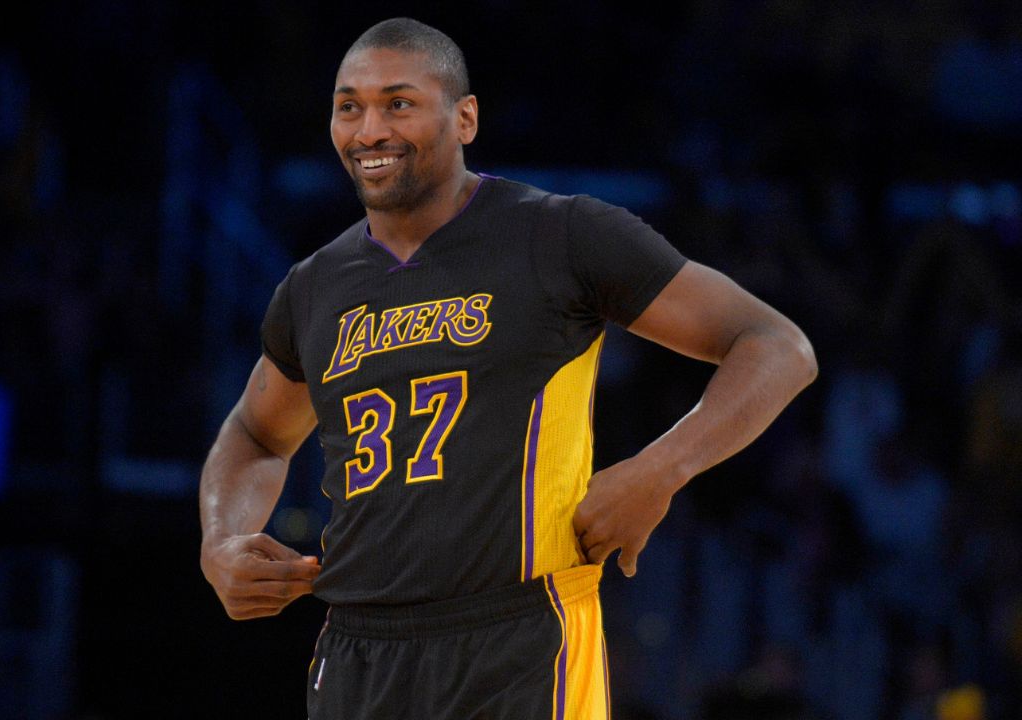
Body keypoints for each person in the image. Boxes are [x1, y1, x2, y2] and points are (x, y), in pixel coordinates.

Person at [199, 17, 817, 720]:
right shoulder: (313, 287)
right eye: (350, 107)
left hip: (522, 634)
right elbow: (254, 434)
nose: (369, 130)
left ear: (465, 118)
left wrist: (659, 470)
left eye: (398, 103)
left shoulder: (561, 234)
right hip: (358, 649)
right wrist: (220, 541)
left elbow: (777, 347)